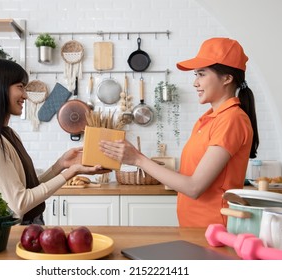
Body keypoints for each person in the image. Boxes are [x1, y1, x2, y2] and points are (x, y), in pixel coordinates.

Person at [100, 37, 259, 227]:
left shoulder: (232, 119)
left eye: (201, 74)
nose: (195, 83)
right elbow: (190, 178)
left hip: (215, 230)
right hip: (196, 229)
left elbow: (194, 187)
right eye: (196, 75)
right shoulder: (209, 119)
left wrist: (138, 159)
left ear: (227, 78)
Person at [0, 58, 106, 225]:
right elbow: (20, 203)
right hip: (3, 232)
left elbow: (29, 189)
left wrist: (61, 165)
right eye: (20, 87)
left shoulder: (8, 134)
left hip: (31, 224)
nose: (25, 95)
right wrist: (70, 173)